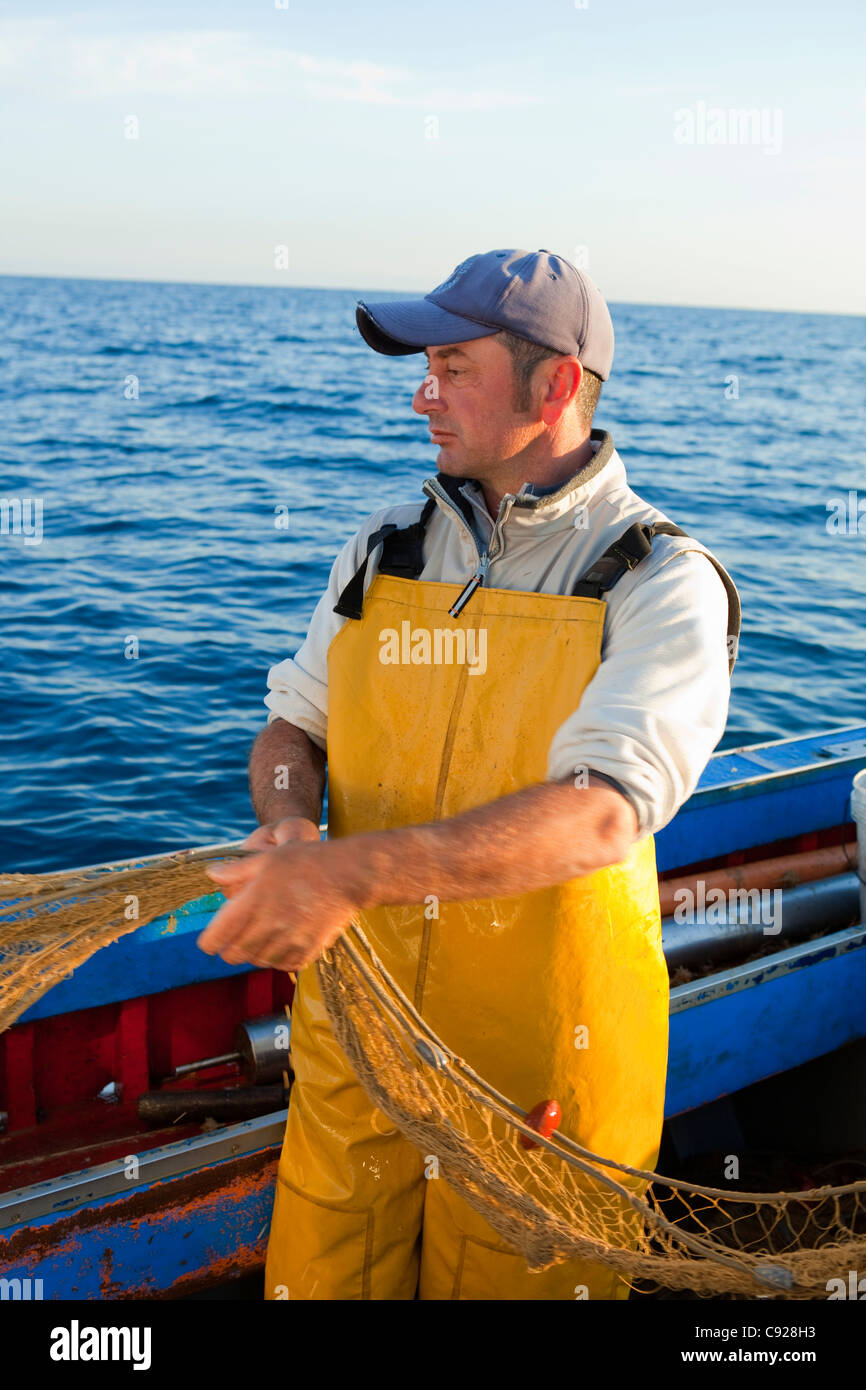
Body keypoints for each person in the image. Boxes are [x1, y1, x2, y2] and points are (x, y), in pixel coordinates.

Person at [199, 248, 740, 1300]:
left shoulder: (663, 581)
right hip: (354, 1049)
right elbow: (290, 730)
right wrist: (287, 827)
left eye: (452, 368)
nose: (420, 396)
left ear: (556, 387)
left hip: (540, 1087)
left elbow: (599, 818)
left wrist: (351, 877)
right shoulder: (381, 549)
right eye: (425, 368)